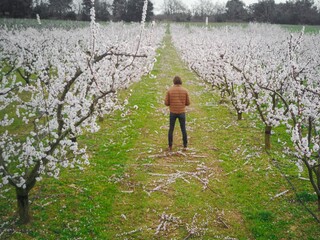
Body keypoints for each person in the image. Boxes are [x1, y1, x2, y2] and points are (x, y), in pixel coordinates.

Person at [165, 76, 190, 151]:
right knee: (183, 129)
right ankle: (185, 145)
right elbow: (188, 103)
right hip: (182, 112)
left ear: (174, 82)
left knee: (171, 129)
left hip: (173, 112)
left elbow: (166, 103)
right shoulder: (185, 91)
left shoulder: (169, 91)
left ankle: (170, 145)